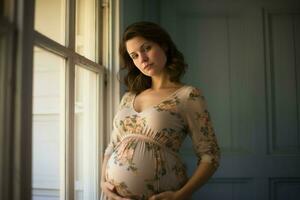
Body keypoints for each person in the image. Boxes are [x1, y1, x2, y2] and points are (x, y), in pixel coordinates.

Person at [100, 21, 220, 200]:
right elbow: (112, 147)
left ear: (163, 45)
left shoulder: (187, 95)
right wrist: (103, 183)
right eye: (134, 55)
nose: (142, 59)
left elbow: (210, 155)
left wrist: (180, 195)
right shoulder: (128, 98)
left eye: (146, 48)